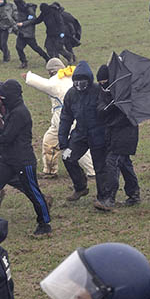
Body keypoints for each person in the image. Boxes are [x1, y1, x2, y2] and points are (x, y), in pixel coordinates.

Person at [0, 79, 52, 236]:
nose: (1, 101)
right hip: (8, 160)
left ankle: (45, 223)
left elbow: (8, 136)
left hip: (23, 161)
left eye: (3, 98)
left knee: (33, 192)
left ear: (11, 97)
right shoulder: (11, 111)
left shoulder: (19, 113)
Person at [58, 61, 107, 202]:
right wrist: (63, 142)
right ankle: (80, 187)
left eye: (83, 82)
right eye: (77, 82)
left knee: (100, 167)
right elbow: (65, 118)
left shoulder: (99, 91)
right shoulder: (71, 94)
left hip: (98, 135)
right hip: (80, 134)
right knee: (67, 157)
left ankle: (103, 197)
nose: (80, 85)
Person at [94, 64, 140, 210]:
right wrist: (108, 108)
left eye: (104, 81)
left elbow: (128, 116)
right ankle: (134, 193)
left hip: (126, 134)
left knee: (112, 162)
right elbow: (100, 109)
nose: (103, 85)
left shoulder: (125, 92)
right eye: (100, 83)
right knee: (124, 163)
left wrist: (111, 113)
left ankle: (109, 198)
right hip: (114, 134)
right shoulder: (105, 92)